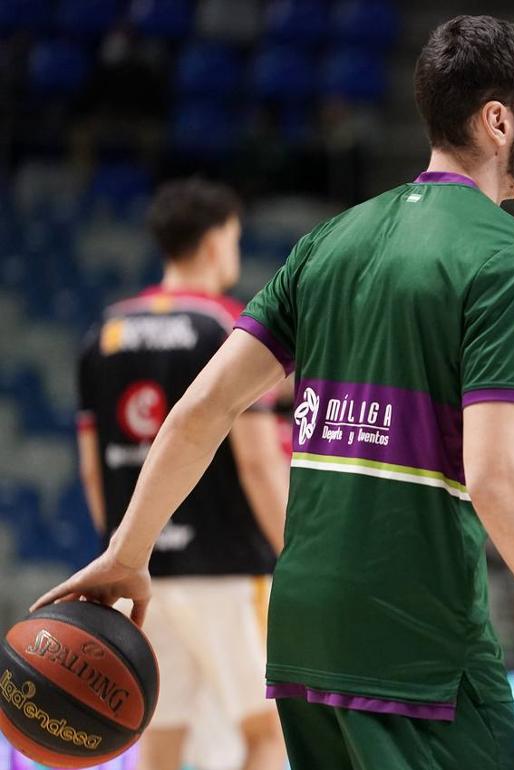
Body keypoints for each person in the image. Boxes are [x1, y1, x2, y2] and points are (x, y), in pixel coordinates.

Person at [38, 15, 514, 770]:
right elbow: (499, 478)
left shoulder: (330, 240)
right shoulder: (510, 260)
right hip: (415, 643)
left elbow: (201, 411)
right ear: (500, 121)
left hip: (305, 637)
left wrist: (128, 552)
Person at [75, 178, 288, 770]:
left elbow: (95, 472)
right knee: (270, 729)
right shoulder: (227, 329)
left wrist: (123, 549)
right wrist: (296, 555)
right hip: (230, 567)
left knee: (160, 736)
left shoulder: (104, 334)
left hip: (142, 574)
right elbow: (256, 461)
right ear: (219, 240)